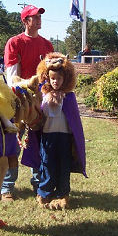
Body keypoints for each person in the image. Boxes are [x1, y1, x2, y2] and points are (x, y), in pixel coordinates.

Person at [1, 5, 54, 201]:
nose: (39, 19)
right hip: (19, 99)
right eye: (34, 17)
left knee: (39, 141)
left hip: (41, 100)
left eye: (40, 16)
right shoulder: (15, 43)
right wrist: (26, 90)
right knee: (13, 142)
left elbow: (50, 75)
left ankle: (38, 182)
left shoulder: (47, 45)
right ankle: (6, 186)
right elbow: (12, 77)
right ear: (25, 21)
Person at [33, 52, 86, 210]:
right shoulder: (44, 96)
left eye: (59, 78)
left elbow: (73, 119)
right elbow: (42, 115)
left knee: (64, 165)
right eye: (53, 78)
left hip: (64, 138)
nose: (56, 81)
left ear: (66, 79)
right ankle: (44, 191)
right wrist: (47, 101)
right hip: (48, 136)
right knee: (47, 164)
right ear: (47, 78)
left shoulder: (69, 97)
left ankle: (62, 193)